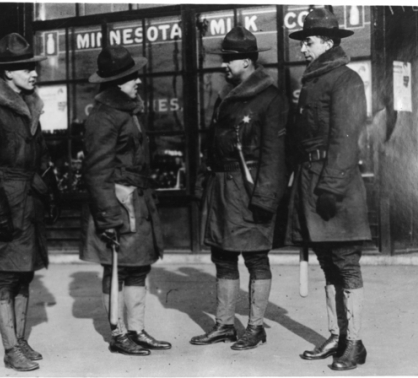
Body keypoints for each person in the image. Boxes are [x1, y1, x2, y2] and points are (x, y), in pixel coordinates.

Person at [190, 26, 288, 351]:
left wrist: (265, 198)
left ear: (247, 62)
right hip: (223, 189)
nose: (224, 66)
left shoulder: (270, 98)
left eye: (229, 60)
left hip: (250, 189)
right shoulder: (225, 97)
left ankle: (256, 327)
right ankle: (223, 325)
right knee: (223, 257)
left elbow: (275, 156)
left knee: (256, 258)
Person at [286, 8, 371, 371]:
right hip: (310, 180)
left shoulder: (346, 80)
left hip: (335, 185)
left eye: (308, 42)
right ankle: (337, 336)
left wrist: (331, 188)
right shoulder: (312, 82)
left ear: (328, 42)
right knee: (327, 263)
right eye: (304, 42)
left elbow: (346, 138)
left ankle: (355, 343)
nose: (303, 49)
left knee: (346, 264)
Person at [0, 33, 56, 372]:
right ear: (6, 73)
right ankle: (9, 349)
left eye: (33, 66)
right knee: (6, 277)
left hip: (28, 201)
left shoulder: (31, 106)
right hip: (3, 202)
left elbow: (40, 156)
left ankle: (19, 340)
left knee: (24, 274)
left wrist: (50, 189)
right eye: (25, 67)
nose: (33, 73)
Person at [79, 45, 170, 356]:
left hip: (136, 199)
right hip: (117, 202)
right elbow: (96, 170)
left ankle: (137, 330)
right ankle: (118, 333)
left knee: (138, 267)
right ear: (117, 82)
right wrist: (107, 217)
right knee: (115, 269)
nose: (138, 81)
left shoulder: (128, 111)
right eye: (132, 77)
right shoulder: (103, 117)